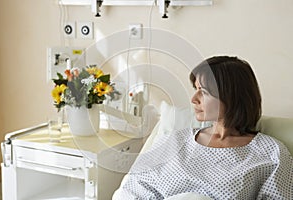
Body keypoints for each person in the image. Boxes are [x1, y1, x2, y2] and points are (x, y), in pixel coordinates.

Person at [113, 56, 293, 199]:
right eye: (196, 89)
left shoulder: (271, 153)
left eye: (204, 92)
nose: (194, 99)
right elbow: (133, 189)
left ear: (232, 97)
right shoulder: (174, 140)